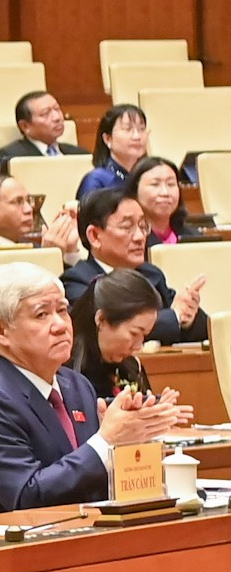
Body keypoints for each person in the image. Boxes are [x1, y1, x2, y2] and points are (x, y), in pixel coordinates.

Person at [0, 262, 187, 516]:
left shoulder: (76, 385)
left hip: (86, 537)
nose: (61, 325)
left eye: (63, 310)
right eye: (41, 314)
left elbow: (93, 483)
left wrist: (132, 442)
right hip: (18, 549)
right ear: (0, 331)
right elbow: (27, 496)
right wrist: (106, 441)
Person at [59, 186, 206, 344]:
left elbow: (201, 326)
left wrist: (187, 315)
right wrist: (175, 316)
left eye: (143, 226)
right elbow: (109, 329)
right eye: (126, 227)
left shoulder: (151, 274)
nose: (139, 237)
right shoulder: (76, 281)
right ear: (94, 236)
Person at [69, 269, 165, 402]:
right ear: (101, 319)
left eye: (144, 335)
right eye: (134, 333)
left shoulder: (131, 366)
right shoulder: (65, 371)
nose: (138, 346)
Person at [0, 172, 75, 258]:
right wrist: (48, 257)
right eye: (18, 202)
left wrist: (70, 250)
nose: (29, 209)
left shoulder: (36, 248)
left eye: (28, 201)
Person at [77, 104, 173, 197]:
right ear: (108, 139)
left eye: (141, 129)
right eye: (128, 129)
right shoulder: (96, 180)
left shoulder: (149, 176)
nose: (137, 136)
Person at [0, 91, 87, 171]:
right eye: (45, 113)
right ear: (25, 126)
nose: (57, 117)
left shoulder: (80, 154)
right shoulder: (11, 156)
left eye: (57, 109)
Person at [126, 155, 193, 246]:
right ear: (135, 190)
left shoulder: (193, 237)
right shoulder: (128, 239)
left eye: (171, 184)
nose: (165, 193)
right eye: (155, 184)